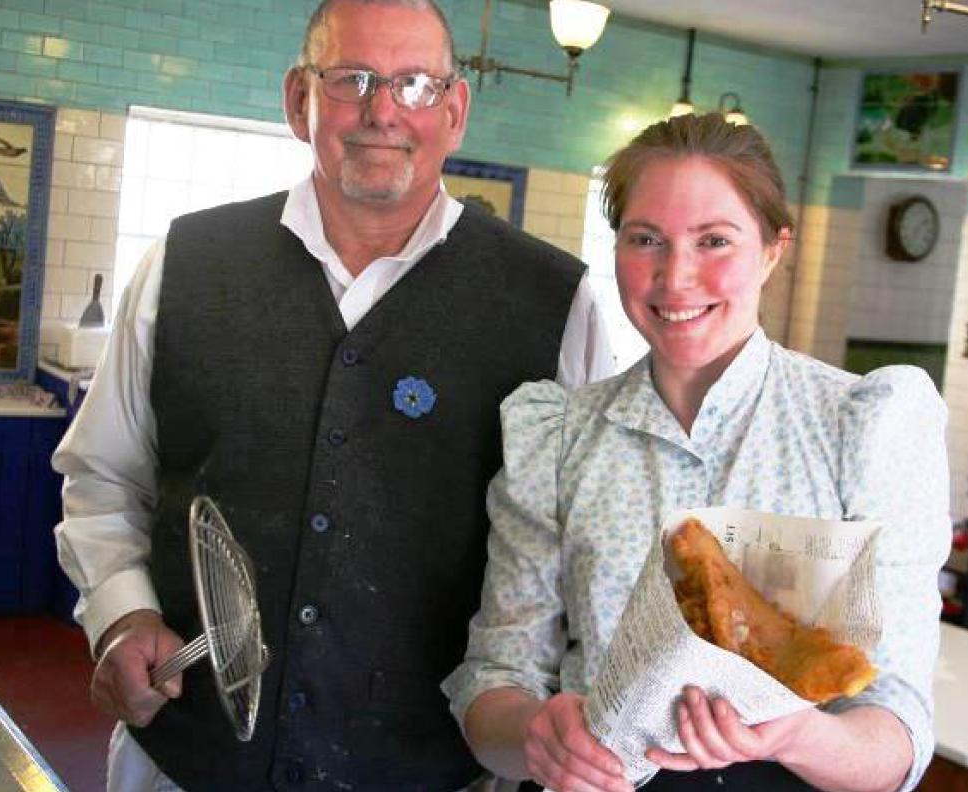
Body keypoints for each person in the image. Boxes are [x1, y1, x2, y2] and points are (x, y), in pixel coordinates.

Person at [51, 1, 614, 790]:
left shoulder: (557, 301)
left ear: (455, 111)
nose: (382, 111)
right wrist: (122, 613)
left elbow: (589, 547)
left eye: (415, 84)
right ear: (297, 100)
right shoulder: (185, 264)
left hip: (431, 770)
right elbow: (105, 476)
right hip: (188, 762)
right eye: (350, 79)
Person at [443, 114, 951, 792]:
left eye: (714, 241)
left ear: (774, 249)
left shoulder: (860, 428)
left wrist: (802, 732)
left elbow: (898, 732)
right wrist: (536, 739)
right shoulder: (559, 436)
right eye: (645, 239)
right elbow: (495, 680)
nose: (675, 277)